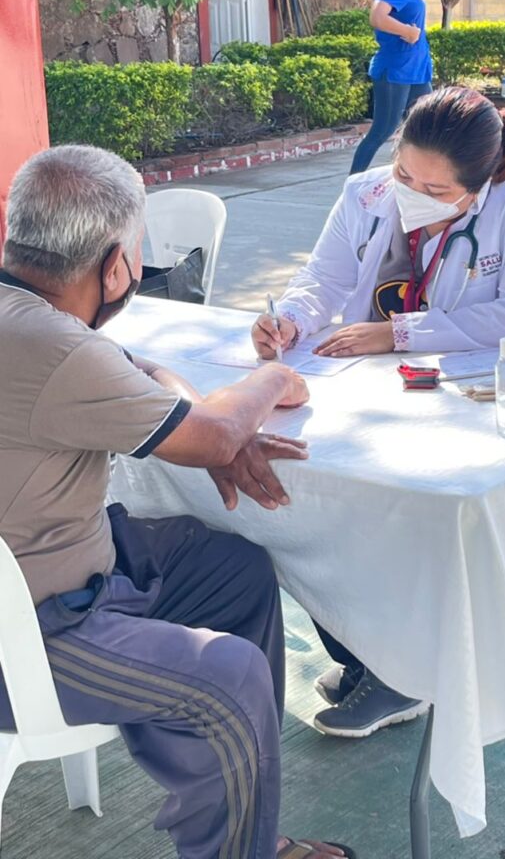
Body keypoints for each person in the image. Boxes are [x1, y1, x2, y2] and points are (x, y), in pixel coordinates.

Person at [0, 145, 357, 859]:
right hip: (30, 638)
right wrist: (269, 384)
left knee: (230, 568)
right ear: (113, 267)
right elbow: (217, 428)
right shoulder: (53, 347)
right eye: (134, 256)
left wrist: (210, 432)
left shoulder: (34, 324)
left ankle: (229, 819)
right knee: (229, 679)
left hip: (53, 574)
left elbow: (143, 377)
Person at [252, 86, 505, 738]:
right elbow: (324, 280)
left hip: (463, 400)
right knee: (322, 506)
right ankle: (372, 656)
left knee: (408, 522)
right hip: (367, 392)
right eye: (403, 174)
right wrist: (289, 319)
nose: (411, 193)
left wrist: (399, 332)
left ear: (479, 184)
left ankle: (406, 674)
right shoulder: (365, 194)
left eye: (437, 189)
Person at [349, 0, 433, 176]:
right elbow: (377, 17)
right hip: (396, 70)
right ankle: (353, 185)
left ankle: (413, 179)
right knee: (382, 130)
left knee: (425, 128)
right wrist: (407, 31)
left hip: (416, 71)